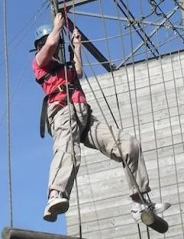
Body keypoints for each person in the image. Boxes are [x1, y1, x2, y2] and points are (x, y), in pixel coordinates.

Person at [32, 12, 171, 225]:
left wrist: (76, 46)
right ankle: (55, 193)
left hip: (85, 116)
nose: (55, 46)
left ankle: (140, 201)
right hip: (62, 111)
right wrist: (58, 27)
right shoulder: (40, 63)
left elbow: (78, 71)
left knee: (129, 145)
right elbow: (50, 45)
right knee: (68, 150)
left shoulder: (64, 66)